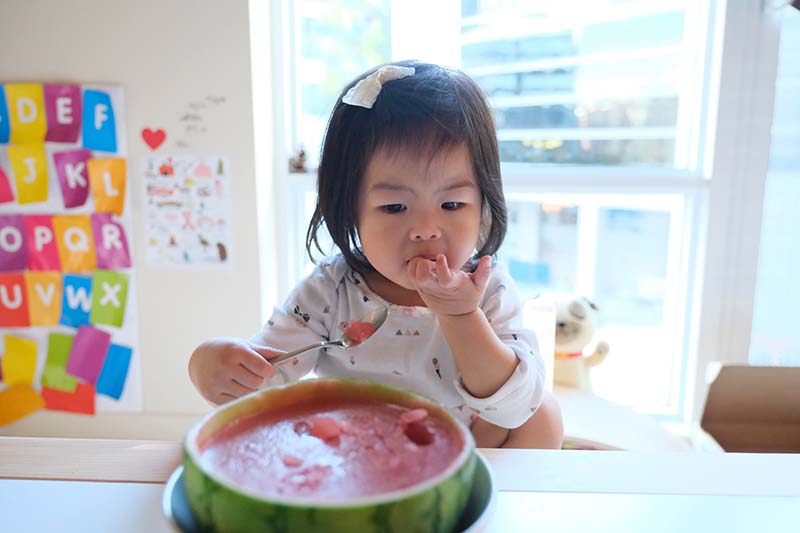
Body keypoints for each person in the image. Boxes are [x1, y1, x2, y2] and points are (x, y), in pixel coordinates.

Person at [189, 60, 564, 449]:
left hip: (462, 452)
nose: (426, 229)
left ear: (484, 202)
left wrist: (461, 315)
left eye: (452, 204)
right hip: (360, 452)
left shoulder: (487, 288)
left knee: (543, 415)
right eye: (394, 207)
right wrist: (211, 367)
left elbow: (514, 408)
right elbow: (264, 381)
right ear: (351, 210)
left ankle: (479, 490)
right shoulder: (331, 290)